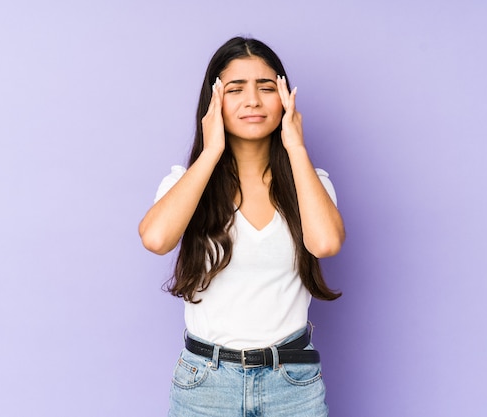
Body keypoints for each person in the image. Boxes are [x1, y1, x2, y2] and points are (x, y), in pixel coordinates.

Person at [138, 36, 345, 417]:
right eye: (236, 89)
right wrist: (211, 150)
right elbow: (155, 238)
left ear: (285, 98)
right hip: (206, 384)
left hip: (293, 383)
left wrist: (296, 147)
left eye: (267, 87)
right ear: (214, 101)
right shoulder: (186, 182)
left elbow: (326, 243)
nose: (253, 100)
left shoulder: (310, 182)